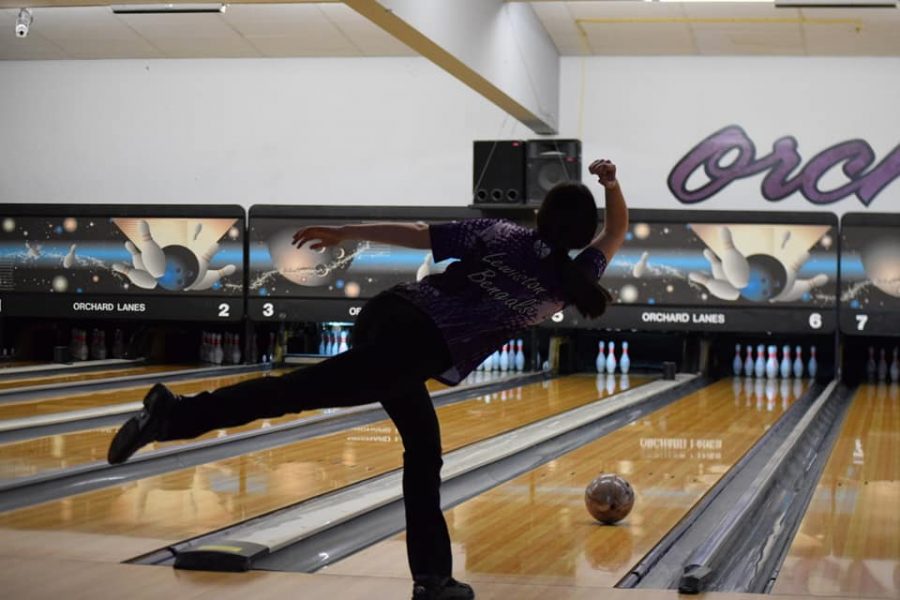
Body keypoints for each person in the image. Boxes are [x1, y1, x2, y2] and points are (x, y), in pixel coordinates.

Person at [107, 159, 627, 600]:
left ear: (540, 216)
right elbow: (617, 230)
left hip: (393, 317)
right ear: (582, 238)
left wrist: (347, 231)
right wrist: (611, 186)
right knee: (295, 395)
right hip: (410, 348)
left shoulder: (502, 232)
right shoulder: (573, 283)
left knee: (423, 453)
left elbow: (417, 234)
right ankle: (173, 415)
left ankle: (434, 579)